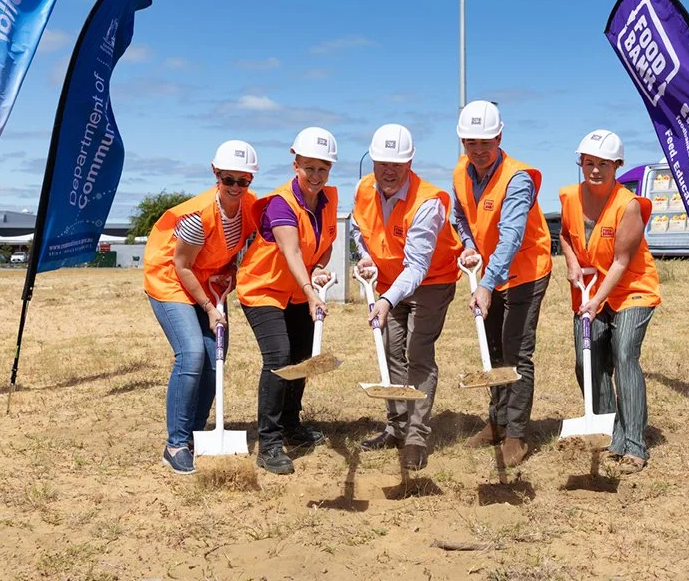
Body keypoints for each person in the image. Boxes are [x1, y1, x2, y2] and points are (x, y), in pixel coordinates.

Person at [143, 140, 259, 475]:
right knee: (192, 353)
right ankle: (175, 444)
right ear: (215, 173)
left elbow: (245, 245)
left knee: (214, 358)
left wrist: (233, 272)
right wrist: (209, 306)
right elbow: (182, 266)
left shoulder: (249, 207)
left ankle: (195, 431)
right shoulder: (197, 217)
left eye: (243, 180)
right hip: (171, 276)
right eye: (228, 179)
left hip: (207, 278)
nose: (236, 187)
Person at [350, 124, 462, 471]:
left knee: (418, 352)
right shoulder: (363, 188)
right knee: (390, 349)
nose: (388, 170)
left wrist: (385, 301)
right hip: (389, 280)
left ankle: (416, 437)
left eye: (396, 163)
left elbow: (416, 267)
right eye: (382, 162)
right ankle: (395, 427)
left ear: (410, 162)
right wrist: (364, 255)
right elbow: (357, 227)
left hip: (431, 281)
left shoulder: (428, 202)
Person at [452, 100, 553, 467]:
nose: (478, 151)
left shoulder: (518, 177)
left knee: (517, 353)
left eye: (485, 142)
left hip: (526, 271)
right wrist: (466, 243)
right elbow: (459, 215)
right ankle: (495, 422)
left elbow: (511, 235)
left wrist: (486, 285)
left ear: (499, 137)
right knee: (492, 350)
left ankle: (516, 434)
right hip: (490, 275)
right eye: (470, 143)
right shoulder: (462, 171)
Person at [236, 127, 339, 475]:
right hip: (263, 289)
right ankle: (269, 442)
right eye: (309, 167)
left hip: (298, 290)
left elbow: (322, 244)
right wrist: (311, 292)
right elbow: (291, 250)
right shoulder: (281, 202)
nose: (316, 176)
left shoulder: (328, 201)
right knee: (279, 357)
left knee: (301, 357)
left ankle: (292, 424)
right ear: (295, 164)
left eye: (322, 168)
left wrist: (321, 268)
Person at [558, 129, 661, 474]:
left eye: (603, 163)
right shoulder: (570, 196)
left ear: (617, 165)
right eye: (588, 162)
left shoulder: (628, 205)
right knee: (587, 362)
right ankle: (608, 433)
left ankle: (634, 444)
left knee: (623, 353)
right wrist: (571, 262)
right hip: (589, 290)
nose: (595, 170)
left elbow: (621, 260)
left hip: (630, 288)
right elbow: (565, 234)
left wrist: (598, 300)